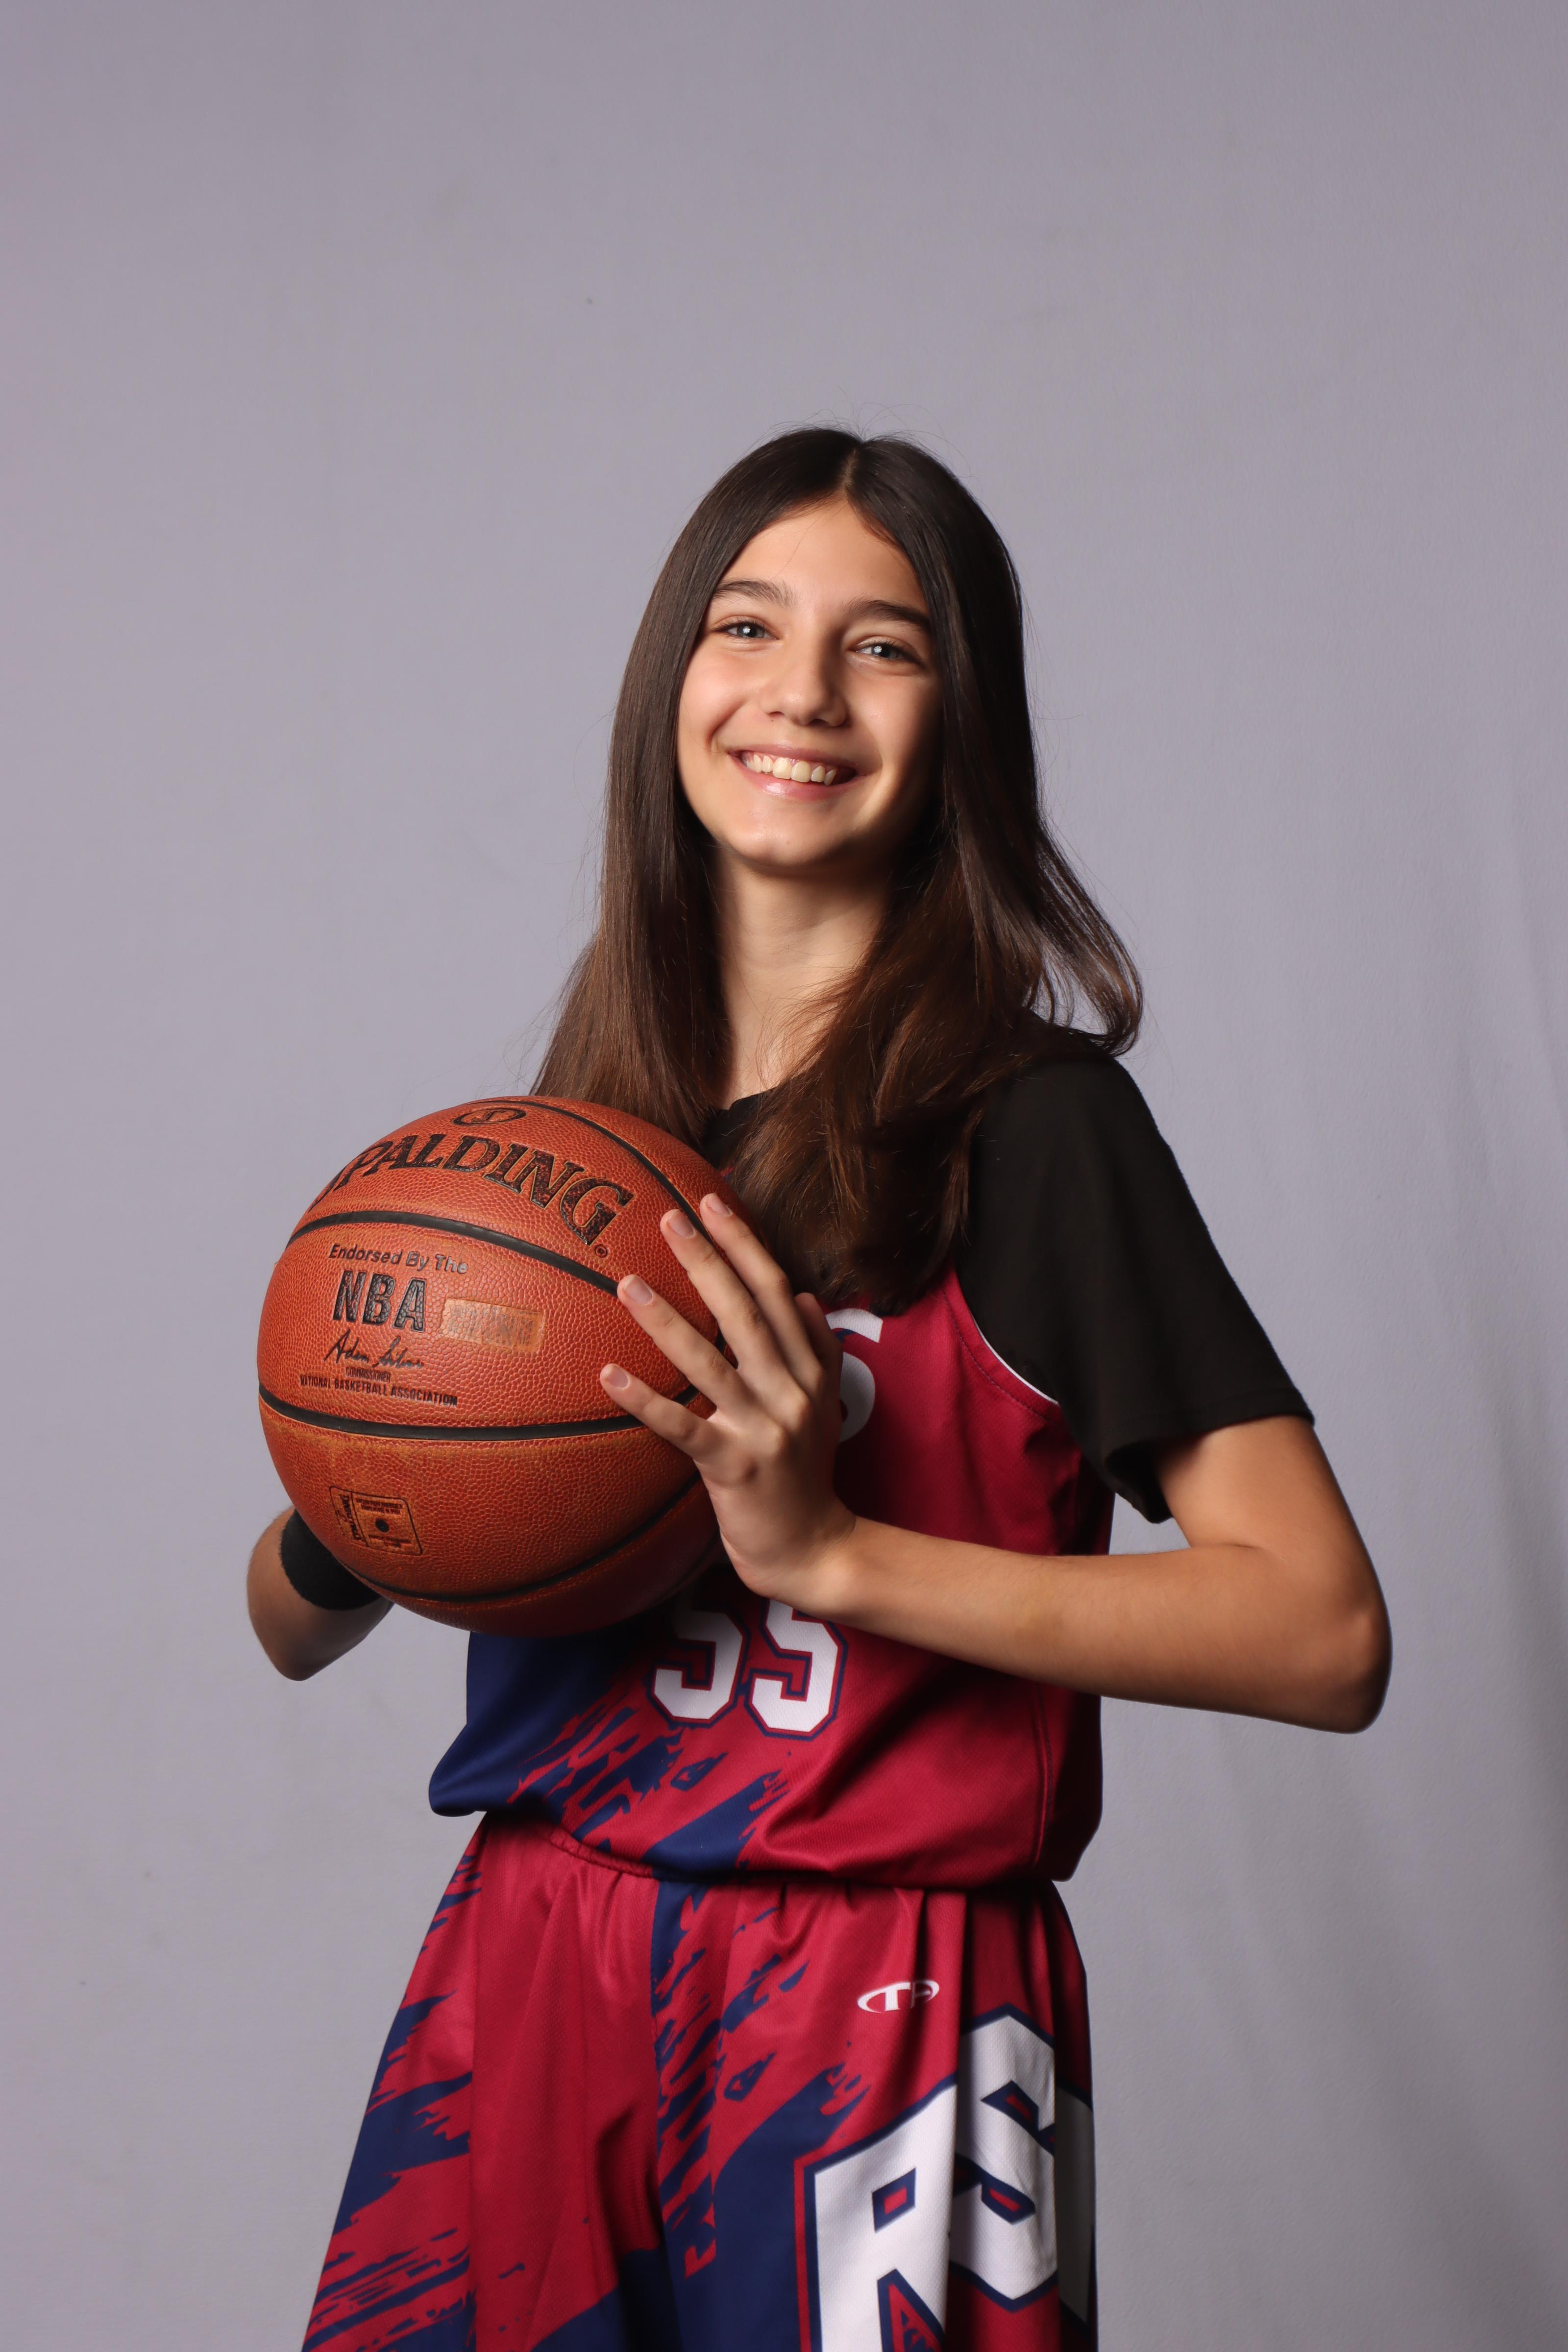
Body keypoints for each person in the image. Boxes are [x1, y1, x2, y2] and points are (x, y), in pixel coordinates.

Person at [248, 429, 1391, 2352]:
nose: (800, 691)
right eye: (746, 626)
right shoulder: (570, 1151)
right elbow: (285, 1622)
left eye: (883, 645)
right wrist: (403, 1465)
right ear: (669, 684)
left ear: (961, 720)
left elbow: (1320, 1632)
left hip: (881, 1989)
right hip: (534, 1948)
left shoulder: (1033, 1133)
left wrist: (835, 1555)